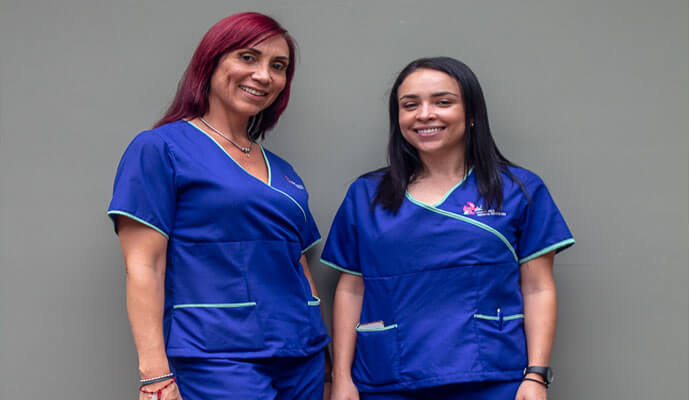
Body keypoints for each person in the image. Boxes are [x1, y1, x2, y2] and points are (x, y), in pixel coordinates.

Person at [322, 57, 574, 400]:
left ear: (472, 114)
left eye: (443, 102)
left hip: (493, 379)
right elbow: (351, 289)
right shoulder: (366, 194)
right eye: (410, 105)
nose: (425, 114)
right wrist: (341, 378)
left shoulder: (517, 189)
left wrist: (536, 375)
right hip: (389, 380)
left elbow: (538, 287)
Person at [107, 12, 329, 400]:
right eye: (247, 57)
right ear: (210, 62)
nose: (264, 75)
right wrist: (154, 376)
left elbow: (298, 262)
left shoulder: (283, 171)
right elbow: (145, 265)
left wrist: (324, 361)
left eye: (278, 66)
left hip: (303, 355)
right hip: (217, 356)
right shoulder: (161, 148)